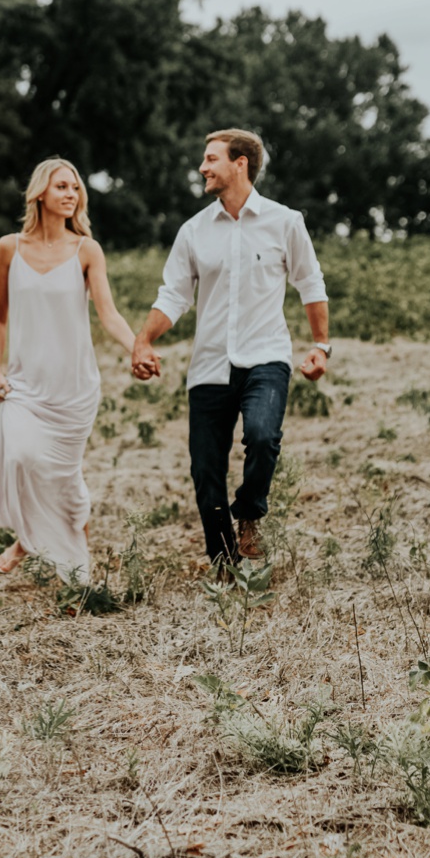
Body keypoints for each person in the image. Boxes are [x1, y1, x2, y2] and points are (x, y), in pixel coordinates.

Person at [129, 129, 330, 565]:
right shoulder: (194, 231)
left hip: (266, 357)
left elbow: (310, 283)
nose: (202, 168)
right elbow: (174, 296)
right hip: (209, 366)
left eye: (210, 159)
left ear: (240, 163)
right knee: (205, 470)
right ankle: (224, 563)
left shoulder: (285, 221)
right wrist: (143, 340)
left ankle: (251, 515)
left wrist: (321, 346)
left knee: (261, 436)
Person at [0, 157, 140, 581]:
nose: (70, 194)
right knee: (22, 456)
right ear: (40, 192)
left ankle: (31, 544)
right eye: (62, 186)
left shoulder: (86, 250)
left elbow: (109, 314)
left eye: (75, 188)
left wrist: (138, 348)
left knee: (64, 475)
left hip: (74, 387)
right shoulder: (9, 247)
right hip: (24, 383)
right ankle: (30, 535)